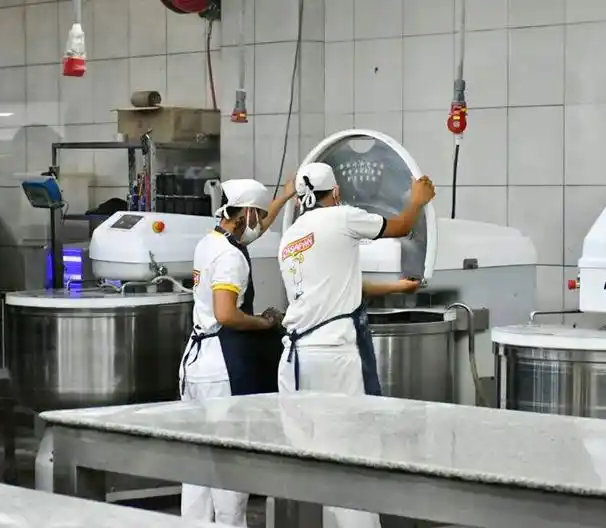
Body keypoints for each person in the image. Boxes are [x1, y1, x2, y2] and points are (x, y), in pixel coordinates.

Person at [276, 162, 435, 528]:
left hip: (295, 358)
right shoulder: (342, 217)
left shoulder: (292, 235)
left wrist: (396, 287)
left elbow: (339, 283)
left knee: (316, 462)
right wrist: (417, 200)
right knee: (353, 456)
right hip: (334, 355)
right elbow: (401, 227)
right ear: (334, 193)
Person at [179, 178, 295, 526]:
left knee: (197, 461)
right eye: (257, 214)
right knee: (230, 462)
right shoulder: (231, 257)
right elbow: (227, 314)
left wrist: (284, 196)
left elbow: (253, 231)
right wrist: (266, 322)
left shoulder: (210, 241)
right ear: (245, 212)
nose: (260, 221)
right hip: (222, 367)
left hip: (196, 363)